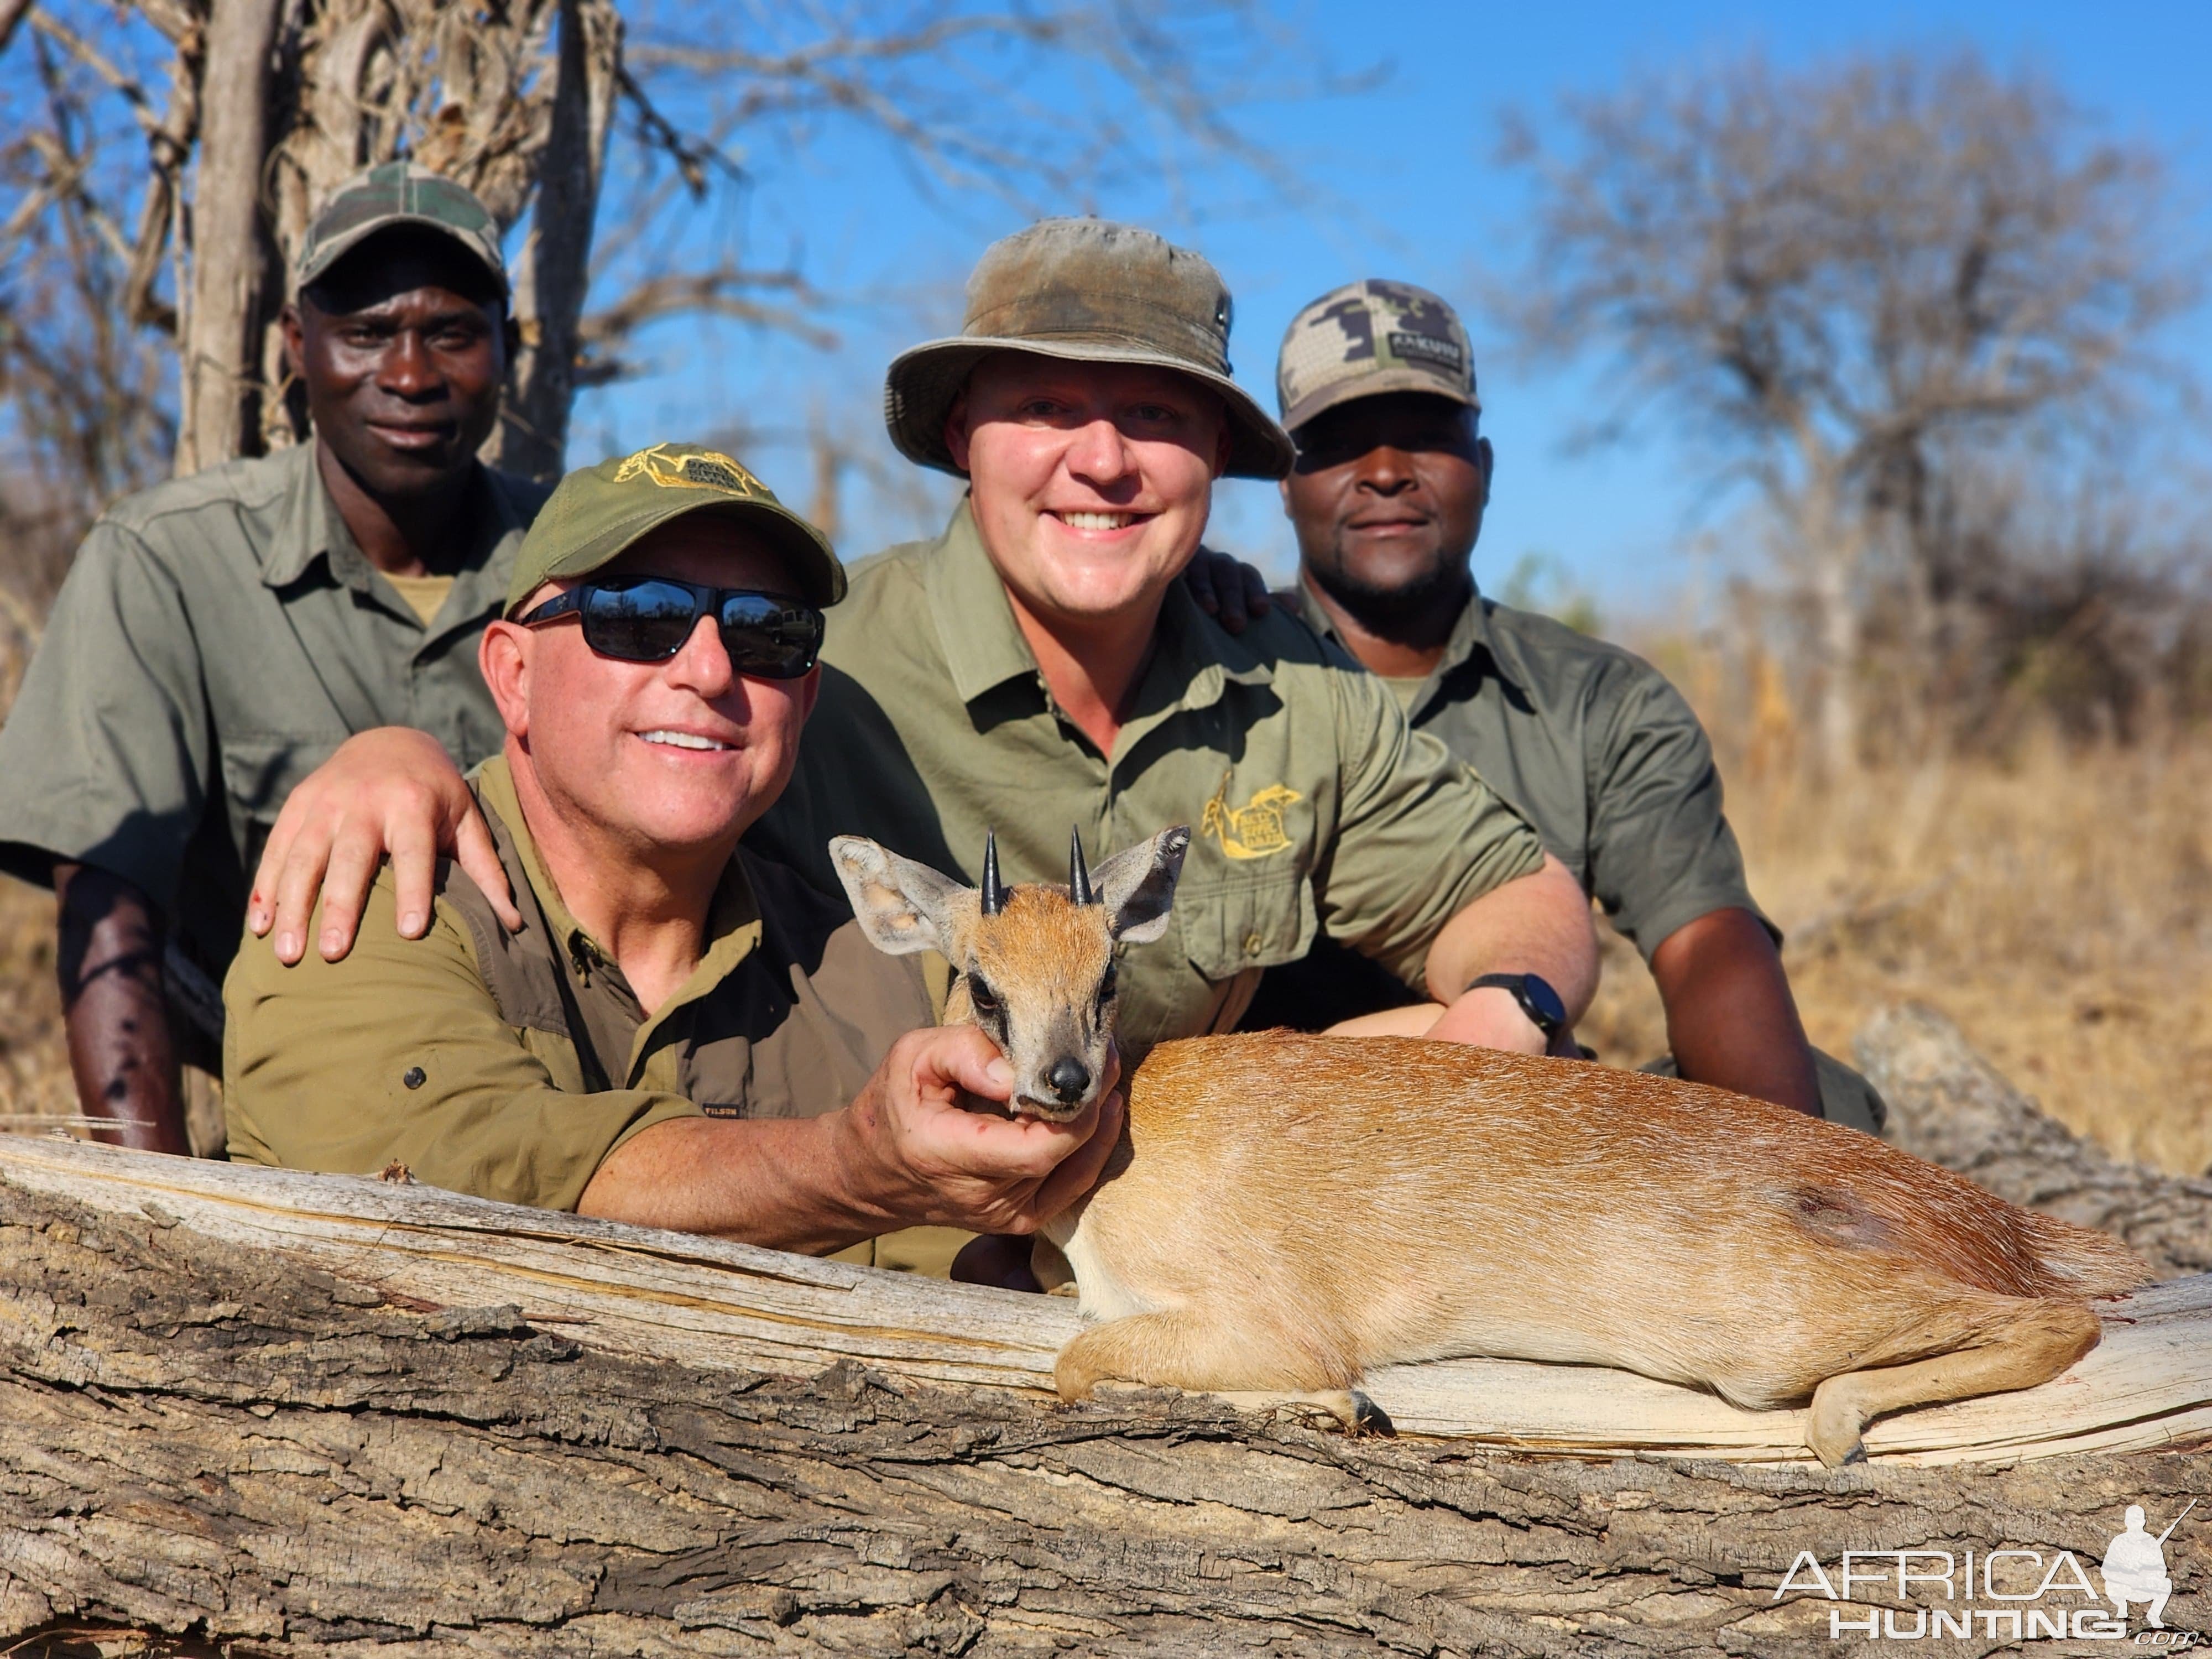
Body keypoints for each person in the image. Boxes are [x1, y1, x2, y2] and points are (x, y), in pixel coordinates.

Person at [246, 220, 1603, 1279]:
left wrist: (1498, 1029)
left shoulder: (1290, 684)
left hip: (1113, 1181)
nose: (1104, 461)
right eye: (1051, 410)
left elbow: (1522, 899)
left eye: (1157, 418)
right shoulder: (839, 667)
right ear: (964, 436)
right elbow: (563, 803)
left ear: (1210, 463)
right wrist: (390, 753)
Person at [223, 443, 1121, 1254]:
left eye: (767, 632)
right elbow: (471, 1179)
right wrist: (852, 1167)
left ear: (802, 705)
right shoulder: (368, 890)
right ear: (512, 674)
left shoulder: (908, 985)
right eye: (636, 616)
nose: (708, 668)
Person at [1240, 278, 1884, 1131]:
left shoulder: (1600, 699)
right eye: (1340, 443)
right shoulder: (1215, 665)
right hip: (1265, 1137)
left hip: (1513, 1120)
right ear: (1285, 481)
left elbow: (1705, 941)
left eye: (1427, 438)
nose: (1387, 473)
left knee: (1820, 1106)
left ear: (1486, 467)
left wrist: (1791, 1179)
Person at [0, 162, 546, 1157]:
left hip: (550, 1082)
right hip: (297, 1092)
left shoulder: (584, 569)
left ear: (509, 347)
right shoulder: (169, 556)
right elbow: (108, 900)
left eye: (453, 332)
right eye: (368, 332)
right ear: (298, 345)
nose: (412, 374)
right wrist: (161, 1219)